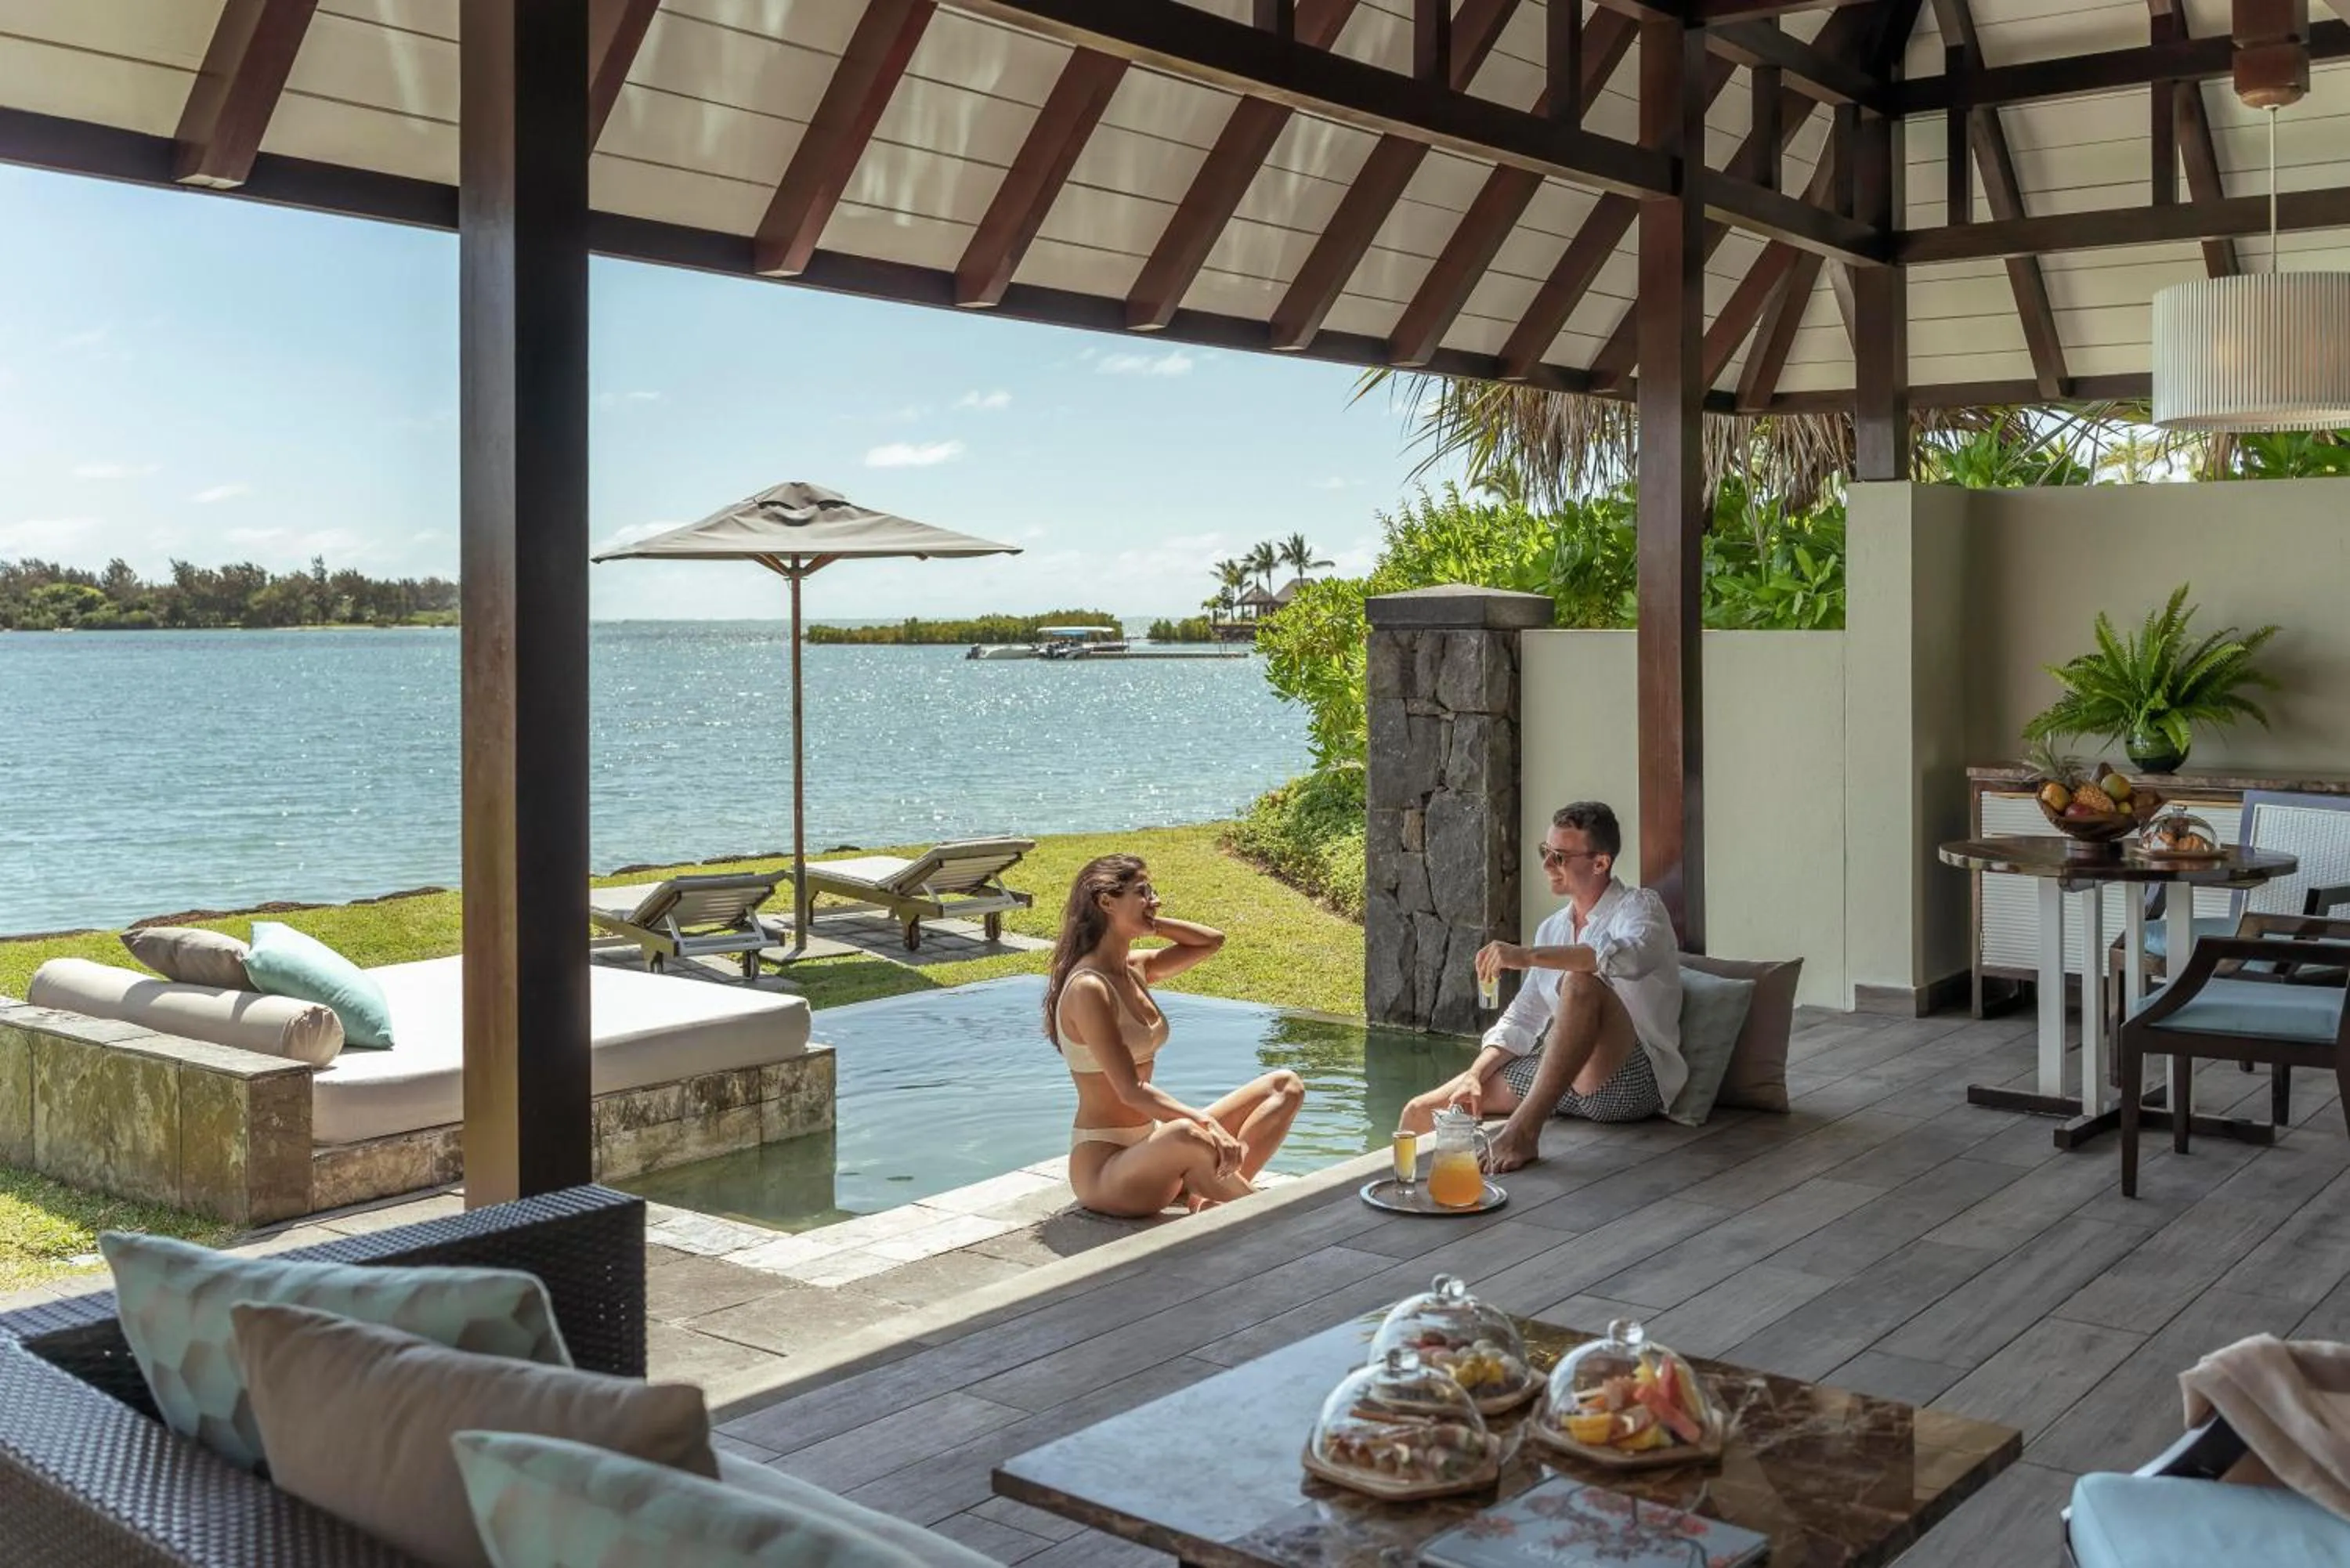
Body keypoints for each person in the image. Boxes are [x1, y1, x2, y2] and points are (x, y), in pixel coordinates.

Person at [1399, 801, 1683, 1173]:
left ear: (1601, 863)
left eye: (1560, 857)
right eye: (1545, 853)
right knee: (1422, 1110)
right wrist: (1474, 1074)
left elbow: (1630, 958)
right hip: (1561, 1081)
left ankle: (1523, 1132)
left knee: (1581, 982)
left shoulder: (1640, 908)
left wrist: (1528, 956)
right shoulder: (1553, 928)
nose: (1547, 866)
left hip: (1626, 1084)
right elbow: (1524, 1017)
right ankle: (1406, 1195)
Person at [1047, 854, 1305, 1216]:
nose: (1155, 899)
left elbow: (1211, 942)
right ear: (1106, 902)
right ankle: (1268, 1212)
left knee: (1285, 1086)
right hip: (1108, 1171)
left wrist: (1149, 921)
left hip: (1154, 1148)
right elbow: (1129, 1090)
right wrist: (1206, 1121)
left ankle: (1216, 1196)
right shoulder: (1089, 987)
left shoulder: (1134, 968)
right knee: (1187, 1132)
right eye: (1143, 892)